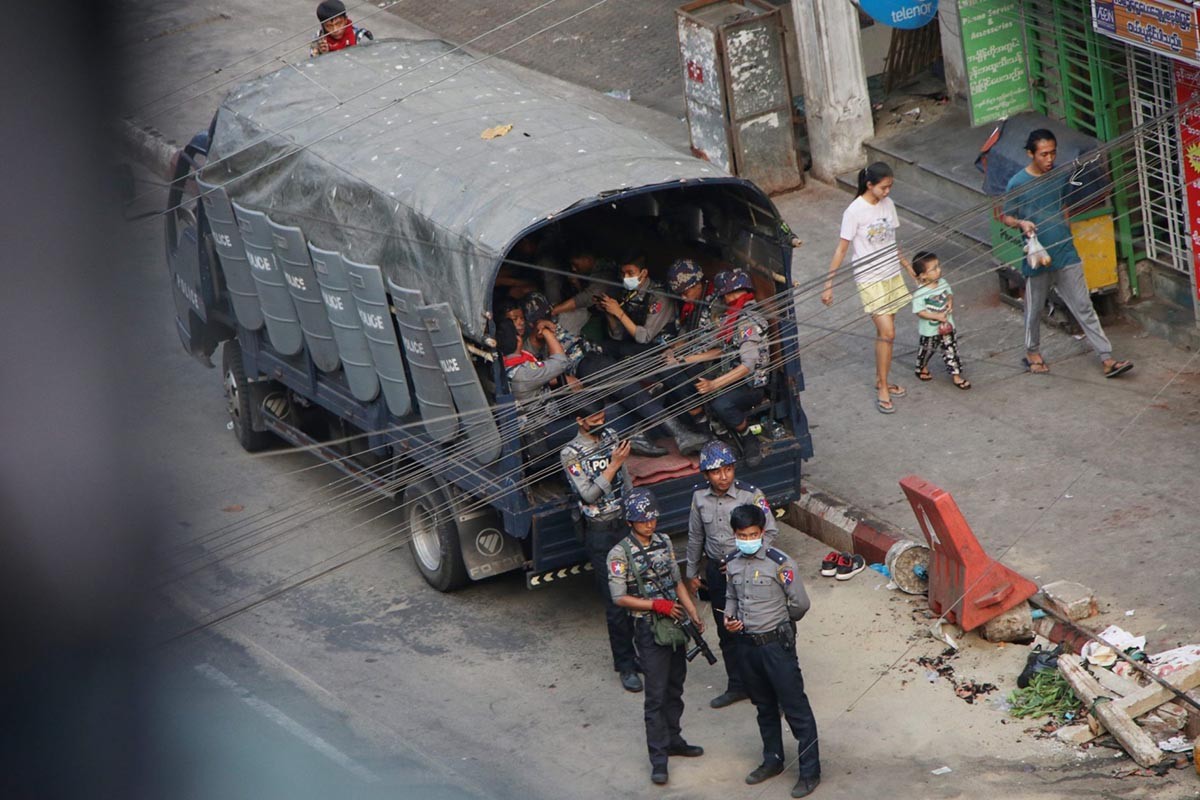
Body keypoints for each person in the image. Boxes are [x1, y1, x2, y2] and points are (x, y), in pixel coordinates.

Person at [1000, 129, 1134, 379]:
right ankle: (1032, 353)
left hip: (1065, 252)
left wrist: (1065, 230)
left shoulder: (1060, 175)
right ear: (1030, 154)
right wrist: (1021, 224)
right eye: (1043, 154)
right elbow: (1006, 215)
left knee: (1084, 306)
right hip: (1036, 257)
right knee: (1034, 308)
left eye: (1052, 153)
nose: (1049, 159)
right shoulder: (1017, 183)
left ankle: (1107, 358)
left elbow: (1063, 206)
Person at [608, 488, 706, 785]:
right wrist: (655, 605)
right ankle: (658, 758)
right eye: (643, 520)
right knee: (656, 695)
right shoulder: (619, 554)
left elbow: (676, 582)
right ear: (630, 522)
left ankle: (674, 739)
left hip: (675, 624)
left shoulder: (663, 541)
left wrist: (693, 611)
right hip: (649, 628)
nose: (650, 524)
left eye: (652, 517)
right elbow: (619, 597)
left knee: (675, 685)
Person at [724, 504, 820, 798]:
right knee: (764, 707)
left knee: (795, 709)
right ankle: (772, 760)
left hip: (776, 646)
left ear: (762, 533)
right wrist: (729, 618)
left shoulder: (780, 563)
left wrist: (781, 623)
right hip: (748, 646)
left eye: (753, 534)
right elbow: (731, 595)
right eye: (742, 534)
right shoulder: (732, 563)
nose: (748, 539)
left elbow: (800, 604)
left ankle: (809, 772)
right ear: (735, 535)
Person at [684, 440, 778, 709]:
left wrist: (744, 558)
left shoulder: (751, 495)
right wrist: (691, 572)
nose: (723, 476)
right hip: (716, 573)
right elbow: (695, 536)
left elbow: (770, 532)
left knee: (757, 629)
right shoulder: (699, 498)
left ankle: (769, 688)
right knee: (727, 632)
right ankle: (737, 685)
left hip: (750, 571)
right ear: (705, 475)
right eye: (716, 471)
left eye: (727, 469)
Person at [821, 161, 916, 415]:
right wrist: (828, 284)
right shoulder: (854, 211)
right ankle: (883, 386)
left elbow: (892, 243)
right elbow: (842, 248)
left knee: (886, 334)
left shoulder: (888, 205)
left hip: (891, 275)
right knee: (888, 332)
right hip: (869, 278)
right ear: (869, 185)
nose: (887, 192)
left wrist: (909, 269)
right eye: (883, 187)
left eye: (890, 187)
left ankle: (880, 378)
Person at [561, 401, 641, 693]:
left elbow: (626, 479)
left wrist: (633, 511)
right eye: (594, 416)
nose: (601, 420)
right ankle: (626, 665)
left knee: (637, 592)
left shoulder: (610, 437)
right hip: (600, 533)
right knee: (616, 601)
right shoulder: (570, 454)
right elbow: (590, 495)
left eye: (602, 414)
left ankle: (638, 654)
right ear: (580, 420)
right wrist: (614, 464)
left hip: (623, 526)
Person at [673, 268, 770, 466]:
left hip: (751, 385)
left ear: (730, 294)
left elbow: (748, 365)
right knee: (687, 384)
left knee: (721, 403)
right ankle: (710, 436)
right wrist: (687, 359)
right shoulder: (733, 316)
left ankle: (747, 436)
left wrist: (714, 384)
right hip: (730, 376)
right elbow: (723, 350)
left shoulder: (748, 320)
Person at [498, 318, 575, 458]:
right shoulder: (523, 373)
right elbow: (561, 362)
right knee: (581, 426)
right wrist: (546, 332)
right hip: (540, 431)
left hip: (524, 426)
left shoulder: (501, 366)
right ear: (518, 339)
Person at [910, 252, 970, 390]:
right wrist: (936, 317)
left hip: (947, 326)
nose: (939, 270)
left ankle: (956, 376)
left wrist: (949, 301)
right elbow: (920, 312)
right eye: (934, 268)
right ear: (923, 275)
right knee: (927, 350)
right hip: (930, 331)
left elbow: (949, 293)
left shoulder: (943, 283)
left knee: (951, 350)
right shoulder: (920, 294)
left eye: (938, 266)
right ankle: (921, 366)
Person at [596, 257, 677, 359]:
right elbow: (619, 335)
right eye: (623, 273)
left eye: (630, 273)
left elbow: (644, 337)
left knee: (622, 351)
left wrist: (619, 313)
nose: (625, 278)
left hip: (659, 348)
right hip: (635, 342)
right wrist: (609, 312)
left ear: (643, 273)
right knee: (604, 346)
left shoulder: (658, 297)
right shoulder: (628, 293)